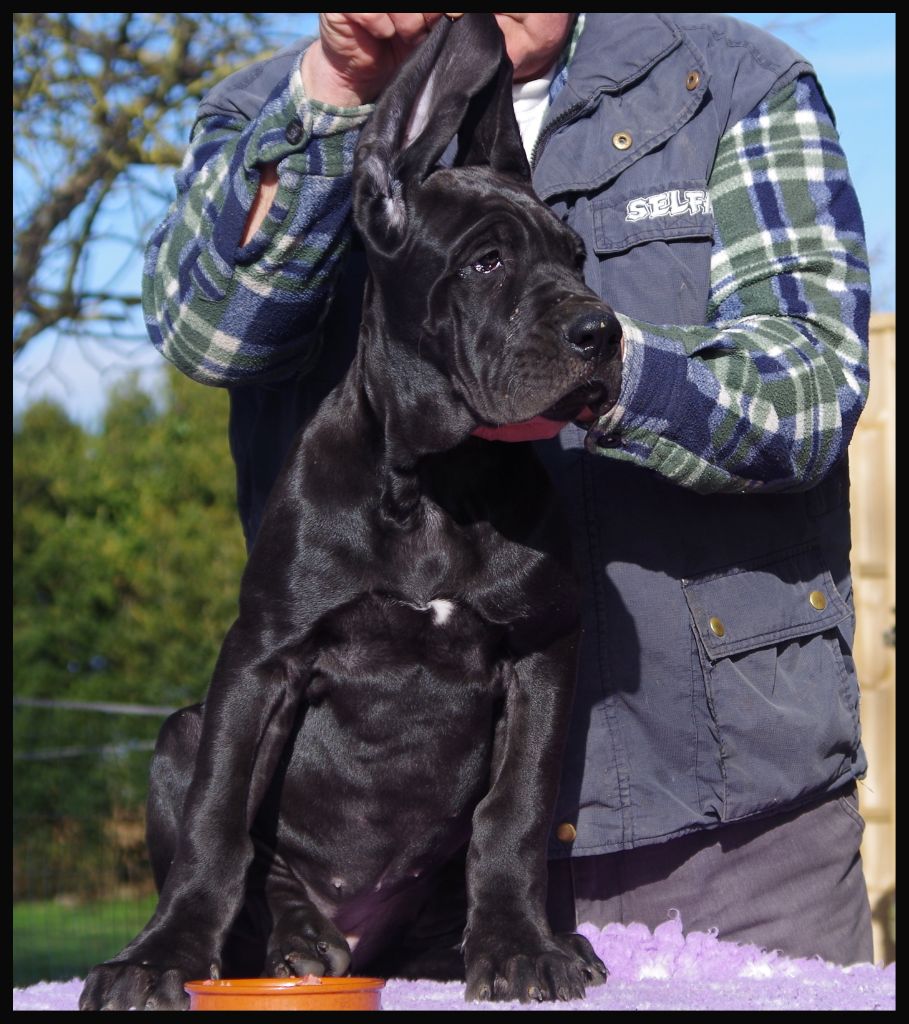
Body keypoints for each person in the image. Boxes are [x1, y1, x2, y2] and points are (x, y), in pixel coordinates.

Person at [142, 13, 874, 967]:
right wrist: (338, 93)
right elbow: (211, 341)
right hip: (357, 859)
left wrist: (604, 375)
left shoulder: (733, 80)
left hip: (725, 830)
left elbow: (812, 391)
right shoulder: (273, 108)